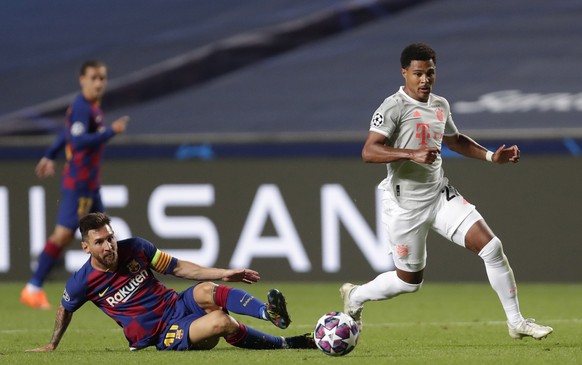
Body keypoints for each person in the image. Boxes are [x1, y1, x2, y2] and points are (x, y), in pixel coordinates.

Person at [340, 43, 553, 340]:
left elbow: (455, 141)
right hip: (404, 206)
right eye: (418, 74)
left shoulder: (440, 105)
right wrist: (410, 154)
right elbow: (368, 151)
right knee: (409, 282)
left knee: (491, 247)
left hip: (439, 195)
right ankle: (357, 296)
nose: (425, 79)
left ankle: (516, 322)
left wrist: (493, 157)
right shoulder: (393, 107)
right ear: (404, 73)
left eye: (430, 73)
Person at [27, 212, 316, 352]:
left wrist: (224, 273)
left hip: (175, 304)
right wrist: (53, 344)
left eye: (111, 237)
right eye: (100, 242)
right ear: (86, 248)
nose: (109, 246)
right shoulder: (82, 282)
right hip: (162, 332)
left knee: (208, 291)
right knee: (220, 322)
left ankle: (270, 314)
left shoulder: (137, 247)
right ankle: (286, 344)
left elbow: (177, 268)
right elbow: (65, 309)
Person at [21, 60, 129, 309]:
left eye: (102, 78)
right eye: (94, 78)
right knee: (64, 234)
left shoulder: (91, 107)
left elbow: (66, 134)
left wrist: (50, 154)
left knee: (105, 230)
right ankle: (33, 287)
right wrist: (111, 131)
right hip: (79, 183)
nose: (99, 82)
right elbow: (78, 141)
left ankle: (117, 281)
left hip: (90, 184)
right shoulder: (83, 106)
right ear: (82, 79)